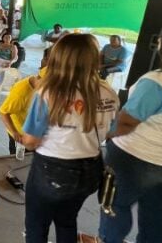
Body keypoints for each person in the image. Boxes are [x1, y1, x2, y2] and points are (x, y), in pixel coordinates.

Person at [99, 18, 162, 243]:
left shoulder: (159, 81)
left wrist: (105, 137)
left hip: (134, 159)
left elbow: (126, 122)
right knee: (157, 210)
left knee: (114, 204)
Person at [21, 34, 118, 243]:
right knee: (67, 221)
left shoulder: (48, 92)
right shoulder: (109, 93)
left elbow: (30, 141)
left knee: (37, 225)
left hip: (51, 170)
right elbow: (110, 131)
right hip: (90, 170)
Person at [0, 49, 50, 155]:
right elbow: (3, 112)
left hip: (35, 135)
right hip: (21, 135)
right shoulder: (21, 91)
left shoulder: (44, 92)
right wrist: (15, 132)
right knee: (18, 163)